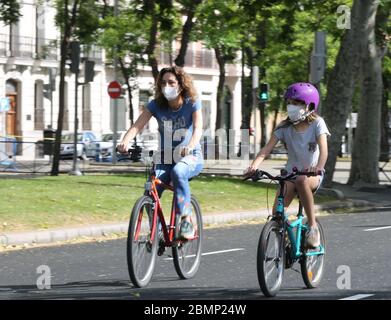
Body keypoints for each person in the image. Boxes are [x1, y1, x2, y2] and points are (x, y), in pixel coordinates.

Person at [117, 66, 203, 240]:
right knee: (151, 189)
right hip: (166, 157)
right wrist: (125, 141)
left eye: (171, 82)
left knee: (178, 172)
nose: (167, 86)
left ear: (180, 84)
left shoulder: (191, 101)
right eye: (163, 83)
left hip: (190, 156)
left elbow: (198, 128)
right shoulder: (156, 105)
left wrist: (191, 145)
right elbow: (137, 125)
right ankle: (155, 231)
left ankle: (186, 220)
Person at [244, 82, 330, 247]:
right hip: (290, 174)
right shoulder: (284, 127)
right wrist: (254, 166)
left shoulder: (317, 123)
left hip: (312, 175)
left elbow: (324, 150)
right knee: (277, 213)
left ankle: (312, 227)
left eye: (296, 103)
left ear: (309, 106)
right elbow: (266, 149)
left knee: (301, 180)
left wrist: (318, 167)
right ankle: (285, 242)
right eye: (289, 103)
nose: (291, 107)